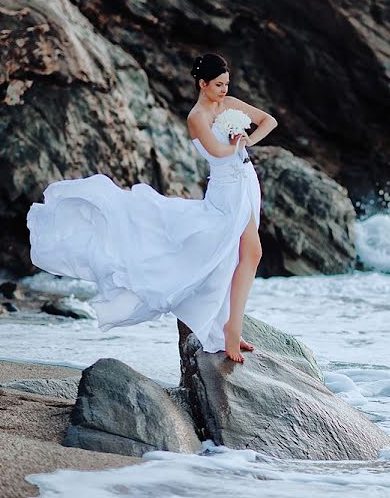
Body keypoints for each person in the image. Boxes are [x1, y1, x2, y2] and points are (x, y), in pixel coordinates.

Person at [26, 53, 278, 362]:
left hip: (246, 179)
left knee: (249, 253)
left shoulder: (228, 104)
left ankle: (232, 329)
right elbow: (217, 151)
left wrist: (247, 141)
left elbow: (269, 120)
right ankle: (230, 330)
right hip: (227, 188)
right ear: (202, 84)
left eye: (227, 84)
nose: (224, 90)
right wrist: (236, 143)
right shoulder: (196, 117)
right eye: (219, 85)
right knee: (240, 252)